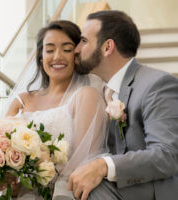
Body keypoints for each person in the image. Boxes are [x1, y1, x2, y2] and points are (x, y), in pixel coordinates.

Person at [68, 10, 178, 200]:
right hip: (118, 188)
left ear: (107, 47)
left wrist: (103, 165)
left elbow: (167, 156)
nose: (76, 49)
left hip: (153, 191)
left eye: (84, 41)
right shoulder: (97, 92)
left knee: (89, 191)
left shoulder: (156, 84)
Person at [6, 20, 109, 199]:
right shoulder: (21, 100)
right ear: (41, 57)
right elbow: (3, 148)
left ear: (77, 55)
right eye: (50, 50)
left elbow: (85, 161)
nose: (57, 57)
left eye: (67, 49)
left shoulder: (86, 96)